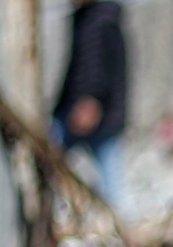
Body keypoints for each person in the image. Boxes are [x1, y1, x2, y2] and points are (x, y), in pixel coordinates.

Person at [52, 0, 129, 208]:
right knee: (49, 164)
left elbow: (97, 70)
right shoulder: (87, 18)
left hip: (95, 114)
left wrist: (91, 101)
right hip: (81, 110)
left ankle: (123, 231)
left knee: (113, 186)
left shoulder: (101, 21)